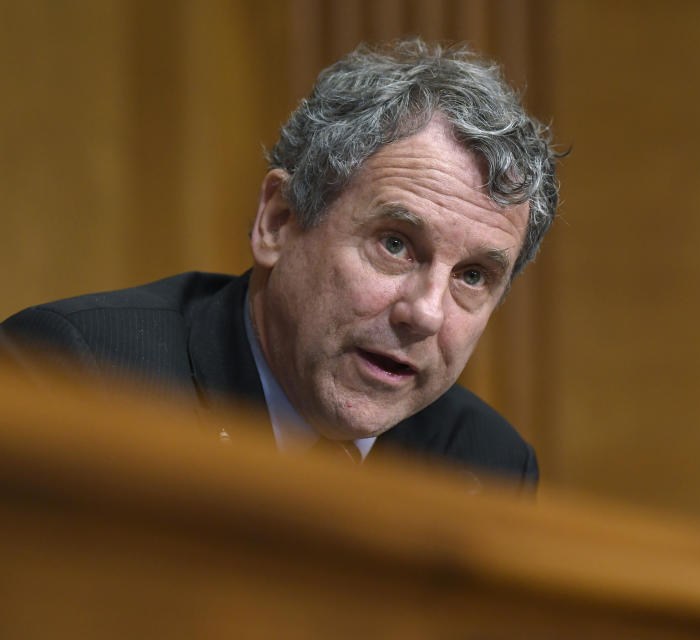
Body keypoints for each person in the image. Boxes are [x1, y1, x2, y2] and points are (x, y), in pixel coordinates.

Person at [0, 39, 559, 491]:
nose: (427, 314)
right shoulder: (71, 377)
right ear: (278, 221)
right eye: (395, 244)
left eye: (472, 276)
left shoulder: (485, 466)